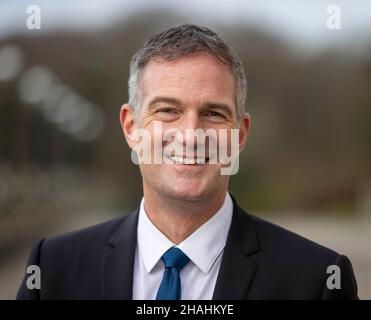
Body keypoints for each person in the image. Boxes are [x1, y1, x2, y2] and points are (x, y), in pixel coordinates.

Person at [17, 24, 358, 300]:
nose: (192, 134)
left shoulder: (318, 281)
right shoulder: (53, 269)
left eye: (213, 113)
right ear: (131, 127)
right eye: (168, 110)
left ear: (240, 134)